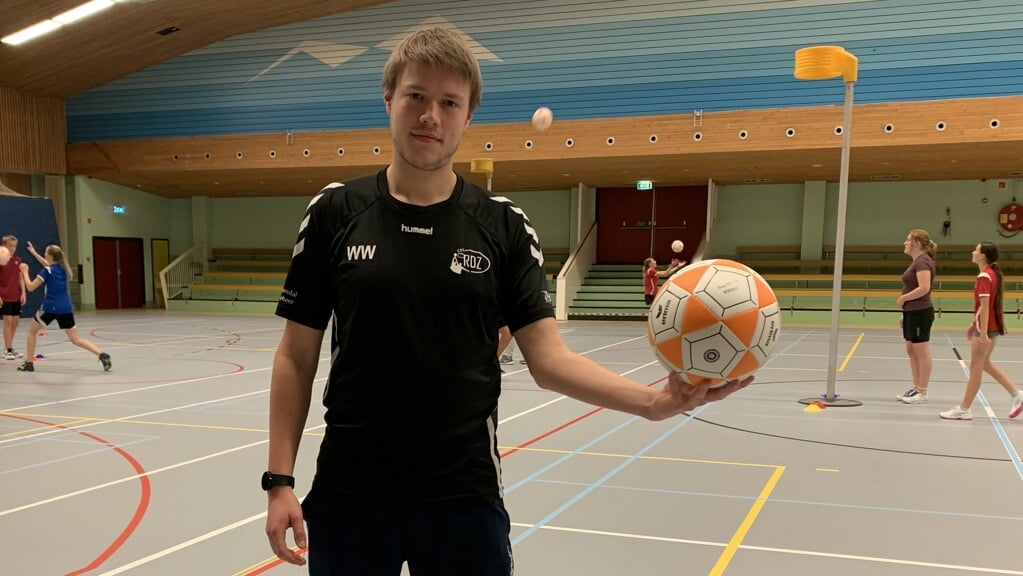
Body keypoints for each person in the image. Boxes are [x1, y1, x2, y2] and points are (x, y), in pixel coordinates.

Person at [263, 27, 751, 576]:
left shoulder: (503, 226)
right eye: (416, 96)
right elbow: (296, 356)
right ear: (389, 101)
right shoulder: (334, 211)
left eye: (450, 103)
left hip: (464, 497)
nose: (431, 116)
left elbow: (549, 360)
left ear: (468, 117)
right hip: (350, 492)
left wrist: (654, 402)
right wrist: (279, 481)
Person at [939, 242, 1022, 420]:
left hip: (986, 330)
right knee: (985, 364)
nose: (973, 252)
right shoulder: (991, 274)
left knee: (975, 368)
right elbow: (986, 307)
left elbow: (985, 307)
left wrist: (982, 333)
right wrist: (974, 323)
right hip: (990, 327)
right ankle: (1017, 395)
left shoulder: (984, 276)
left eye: (976, 250)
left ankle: (964, 409)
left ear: (983, 255)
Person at [15, 242, 111, 372]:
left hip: (50, 308)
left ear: (48, 255)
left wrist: (24, 272)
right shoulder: (63, 269)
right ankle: (101, 354)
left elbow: (30, 287)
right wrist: (34, 253)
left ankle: (29, 363)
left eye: (45, 253)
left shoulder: (47, 271)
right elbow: (48, 265)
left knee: (32, 331)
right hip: (66, 307)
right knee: (75, 339)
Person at [895, 229, 937, 404]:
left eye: (908, 240)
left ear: (917, 243)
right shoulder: (916, 262)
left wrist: (904, 298)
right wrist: (906, 313)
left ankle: (923, 390)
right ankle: (915, 387)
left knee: (921, 350)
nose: (905, 243)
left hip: (921, 311)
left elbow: (924, 287)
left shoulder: (923, 262)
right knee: (911, 350)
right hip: (912, 312)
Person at [0, 234, 27, 360]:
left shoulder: (17, 260)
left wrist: (23, 292)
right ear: (4, 246)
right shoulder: (1, 261)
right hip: (4, 295)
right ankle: (7, 349)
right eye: (10, 246)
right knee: (8, 321)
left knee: (15, 321)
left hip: (15, 294)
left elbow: (20, 277)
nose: (12, 248)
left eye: (14, 246)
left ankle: (10, 347)